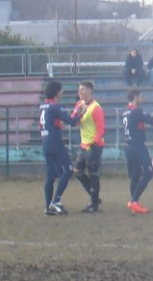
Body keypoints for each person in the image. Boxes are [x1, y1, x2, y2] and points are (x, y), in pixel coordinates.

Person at [39, 81, 82, 215]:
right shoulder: (54, 106)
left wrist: (57, 124)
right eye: (61, 90)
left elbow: (44, 124)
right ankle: (56, 201)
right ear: (57, 92)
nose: (62, 92)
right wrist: (80, 113)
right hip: (55, 142)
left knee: (51, 176)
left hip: (45, 142)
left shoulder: (43, 106)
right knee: (68, 170)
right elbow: (71, 121)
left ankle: (48, 207)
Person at [122, 88, 153, 214]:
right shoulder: (136, 110)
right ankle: (134, 201)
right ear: (136, 96)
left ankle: (134, 204)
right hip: (138, 145)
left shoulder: (126, 111)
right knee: (148, 173)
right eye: (141, 96)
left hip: (130, 145)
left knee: (135, 175)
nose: (142, 98)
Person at [72, 80, 105, 213]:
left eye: (83, 90)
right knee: (77, 171)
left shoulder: (96, 108)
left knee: (93, 174)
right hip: (84, 145)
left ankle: (94, 204)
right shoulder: (79, 104)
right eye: (79, 90)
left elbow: (101, 128)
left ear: (90, 91)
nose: (80, 92)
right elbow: (74, 121)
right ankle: (94, 198)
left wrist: (94, 143)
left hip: (94, 145)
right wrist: (78, 113)